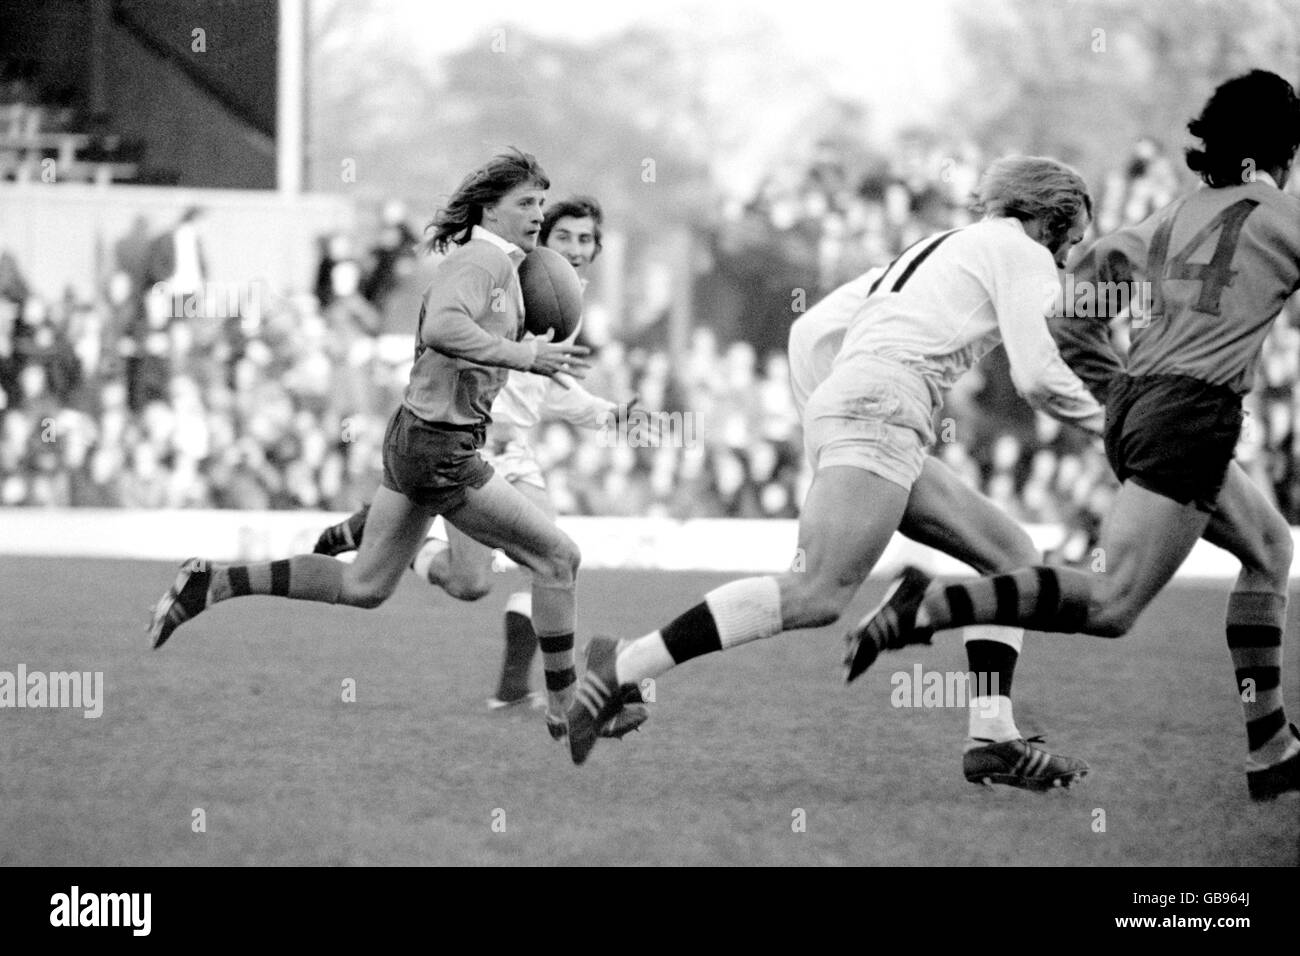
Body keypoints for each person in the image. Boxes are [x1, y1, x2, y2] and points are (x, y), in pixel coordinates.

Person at [564, 155, 1106, 769]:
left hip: (864, 404)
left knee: (1013, 556)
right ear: (1049, 222)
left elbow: (811, 329)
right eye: (1074, 242)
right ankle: (623, 665)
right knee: (816, 595)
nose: (1068, 259)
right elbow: (1036, 376)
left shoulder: (936, 249)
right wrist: (1108, 427)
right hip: (882, 409)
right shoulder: (1026, 255)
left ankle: (993, 737)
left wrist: (825, 421)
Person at [856, 71, 1300, 801]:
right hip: (1193, 416)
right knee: (1112, 605)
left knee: (1271, 546)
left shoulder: (1165, 220)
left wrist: (1118, 389)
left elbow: (1070, 316)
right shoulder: (1283, 216)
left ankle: (1270, 746)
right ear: (1278, 152)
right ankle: (928, 608)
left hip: (1139, 409)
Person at [147, 148, 594, 736]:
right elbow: (442, 328)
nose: (538, 214)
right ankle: (566, 710)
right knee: (558, 557)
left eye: (541, 202)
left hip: (421, 439)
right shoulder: (483, 261)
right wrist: (522, 354)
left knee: (363, 586)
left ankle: (215, 583)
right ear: (490, 208)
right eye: (526, 203)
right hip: (443, 452)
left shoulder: (499, 267)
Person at [314, 196, 648, 738]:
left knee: (552, 560)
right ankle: (390, 534)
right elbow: (463, 343)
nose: (576, 249)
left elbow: (549, 391)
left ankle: (530, 692)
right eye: (564, 237)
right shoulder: (509, 284)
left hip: (515, 453)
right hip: (469, 450)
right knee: (472, 582)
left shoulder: (559, 304)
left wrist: (612, 416)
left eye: (587, 240)